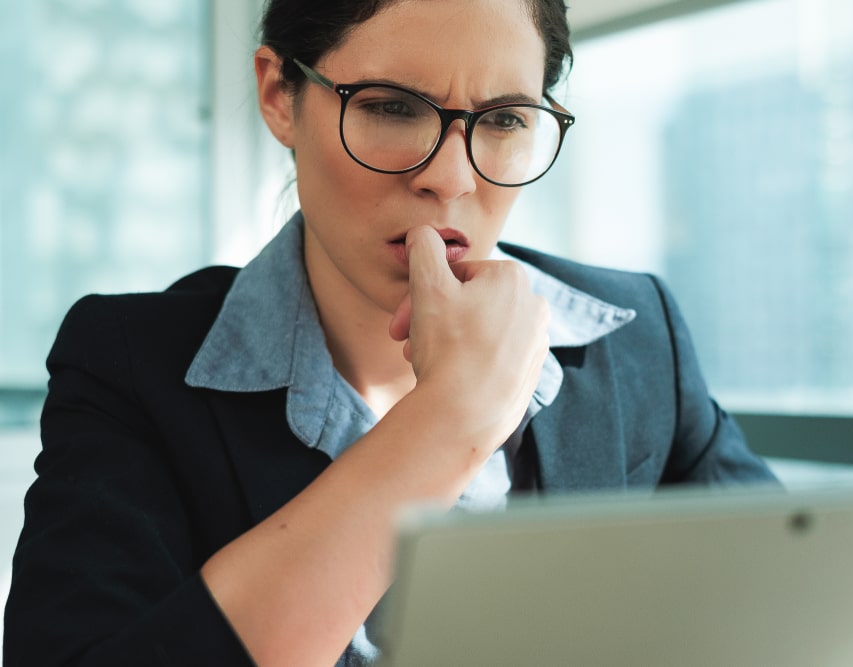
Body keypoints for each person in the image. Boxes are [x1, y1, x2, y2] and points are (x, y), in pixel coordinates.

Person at [4, 0, 777, 664]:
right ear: (280, 95)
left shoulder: (636, 336)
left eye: (505, 119)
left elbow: (797, 605)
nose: (453, 176)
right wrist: (450, 421)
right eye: (392, 106)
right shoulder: (130, 362)